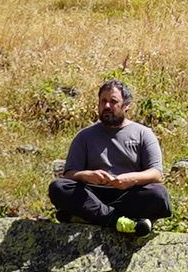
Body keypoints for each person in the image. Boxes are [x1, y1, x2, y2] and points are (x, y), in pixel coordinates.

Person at [49, 78, 171, 232]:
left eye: (113, 101)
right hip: (92, 194)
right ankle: (119, 221)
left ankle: (91, 216)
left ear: (126, 105)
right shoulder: (84, 136)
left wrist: (130, 179)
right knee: (58, 187)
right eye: (103, 101)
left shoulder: (143, 134)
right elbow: (69, 175)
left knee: (158, 193)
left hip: (128, 194)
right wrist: (87, 175)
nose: (107, 106)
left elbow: (156, 174)